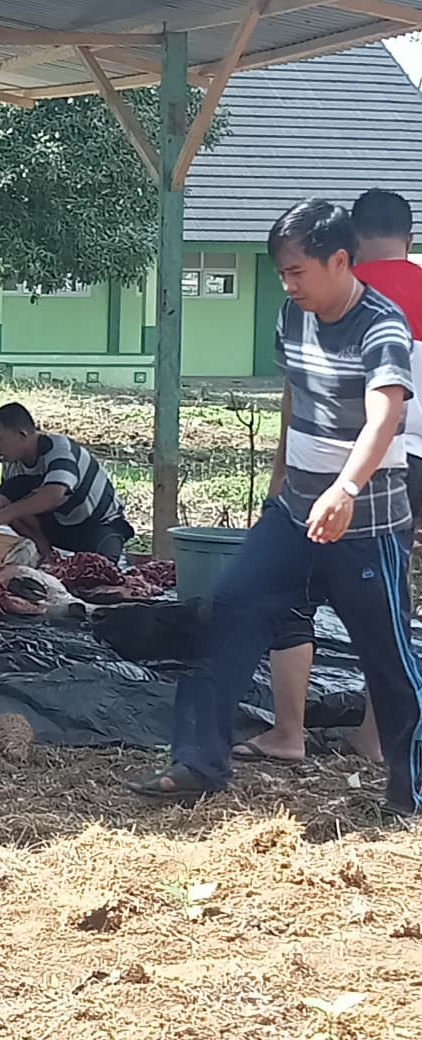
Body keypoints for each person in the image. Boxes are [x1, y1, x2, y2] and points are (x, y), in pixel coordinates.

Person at [129, 198, 422, 816]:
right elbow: (295, 394)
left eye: (297, 271)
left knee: (387, 658)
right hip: (293, 514)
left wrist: (345, 489)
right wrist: (280, 475)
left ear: (339, 261)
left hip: (366, 523)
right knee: (229, 610)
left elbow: (384, 415)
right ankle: (199, 762)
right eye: (282, 273)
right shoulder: (294, 317)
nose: (288, 284)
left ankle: (409, 788)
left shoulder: (382, 325)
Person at [235, 189, 422, 766]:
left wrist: (286, 475)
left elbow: (302, 396)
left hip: (349, 469)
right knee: (387, 613)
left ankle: (288, 731)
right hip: (403, 469)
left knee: (290, 596)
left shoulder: (342, 301)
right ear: (409, 239)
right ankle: (376, 740)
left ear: (349, 247)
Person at [0, 402, 134, 562]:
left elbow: (55, 494)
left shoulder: (58, 448)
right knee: (8, 492)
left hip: (98, 526)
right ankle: (46, 556)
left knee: (102, 571)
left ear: (22, 434)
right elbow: (4, 502)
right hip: (60, 528)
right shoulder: (12, 464)